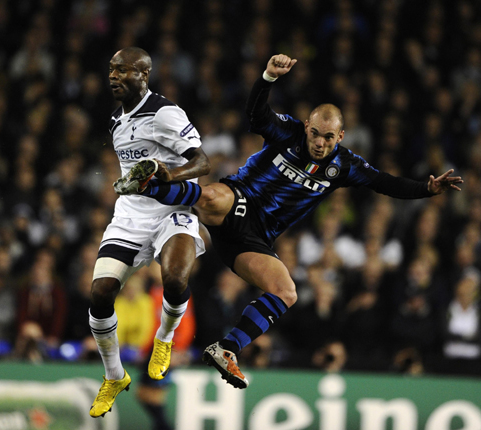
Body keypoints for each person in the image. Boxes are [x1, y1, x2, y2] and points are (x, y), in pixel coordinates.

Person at [116, 53, 463, 389]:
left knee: (286, 291)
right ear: (308, 127)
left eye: (329, 138)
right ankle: (147, 186)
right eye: (316, 134)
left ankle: (226, 348)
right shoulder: (288, 132)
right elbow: (256, 116)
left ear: (340, 137)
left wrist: (426, 188)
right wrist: (267, 78)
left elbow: (386, 183)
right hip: (238, 201)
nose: (320, 143)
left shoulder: (344, 165)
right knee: (212, 196)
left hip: (254, 239)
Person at [88, 47, 210, 418]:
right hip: (130, 216)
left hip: (171, 211)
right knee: (100, 293)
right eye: (110, 69)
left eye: (122, 70)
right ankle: (114, 376)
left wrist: (167, 174)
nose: (113, 76)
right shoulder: (116, 119)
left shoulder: (165, 113)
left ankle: (164, 339)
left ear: (143, 74)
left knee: (173, 280)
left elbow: (203, 162)